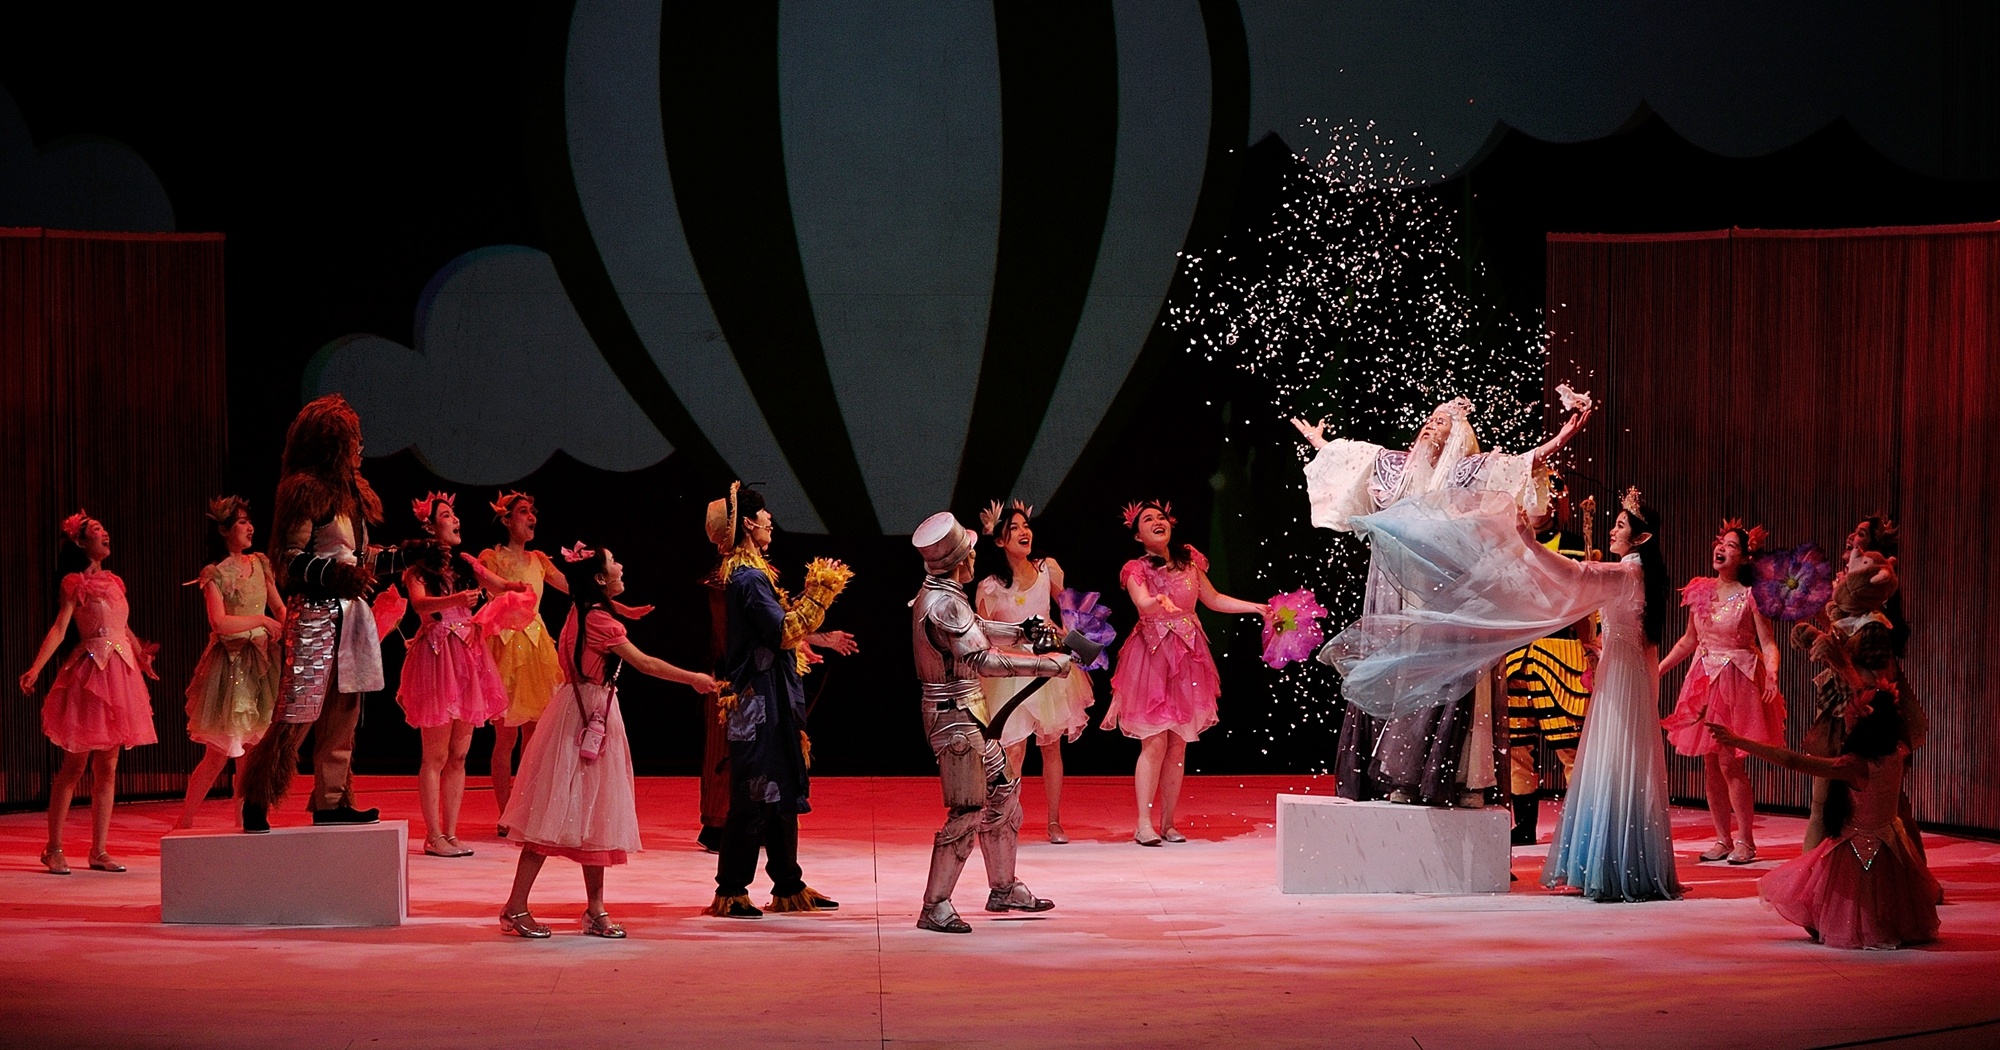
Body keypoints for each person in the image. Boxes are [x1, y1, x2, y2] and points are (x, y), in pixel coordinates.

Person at [1324, 486, 1682, 902]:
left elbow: (1574, 575)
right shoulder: (1642, 577)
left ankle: (1614, 867)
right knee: (1620, 758)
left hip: (1619, 673)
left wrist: (1529, 542)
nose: (1613, 530)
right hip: (1624, 671)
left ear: (1641, 537)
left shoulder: (1625, 574)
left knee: (1612, 756)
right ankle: (1624, 862)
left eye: (1621, 526)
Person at [1295, 395, 1591, 806]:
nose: (1431, 424)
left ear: (1459, 435)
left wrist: (1560, 438)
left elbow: (1520, 464)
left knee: (1445, 676)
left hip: (1445, 592)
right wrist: (1320, 443)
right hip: (1396, 591)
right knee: (1401, 673)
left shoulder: (1468, 472)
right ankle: (1398, 775)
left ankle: (1458, 778)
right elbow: (1353, 461)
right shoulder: (1397, 468)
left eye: (1442, 422)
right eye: (1430, 419)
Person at [497, 543, 717, 938]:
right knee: (556, 812)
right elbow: (644, 663)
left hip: (574, 711)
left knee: (589, 810)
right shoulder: (600, 622)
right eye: (614, 562)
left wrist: (621, 610)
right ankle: (516, 907)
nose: (621, 565)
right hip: (590, 714)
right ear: (600, 578)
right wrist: (694, 679)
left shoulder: (581, 610)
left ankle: (594, 909)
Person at [238, 394, 406, 833]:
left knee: (343, 713)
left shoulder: (354, 496)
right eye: (354, 441)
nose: (360, 448)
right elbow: (289, 557)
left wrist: (410, 556)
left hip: (351, 617)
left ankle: (332, 802)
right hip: (314, 614)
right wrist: (335, 574)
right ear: (334, 444)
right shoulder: (307, 491)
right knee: (298, 710)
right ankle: (257, 797)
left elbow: (362, 559)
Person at [910, 510, 1070, 933]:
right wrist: (1046, 665)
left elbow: (977, 627)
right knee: (967, 809)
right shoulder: (944, 603)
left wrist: (1021, 631)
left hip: (968, 712)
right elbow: (981, 658)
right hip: (954, 720)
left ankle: (1003, 887)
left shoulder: (945, 594)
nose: (974, 557)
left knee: (1004, 791)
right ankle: (935, 904)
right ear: (957, 559)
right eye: (969, 552)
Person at [704, 482, 852, 919]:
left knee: (781, 789)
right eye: (764, 513)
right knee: (754, 793)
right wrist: (821, 591)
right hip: (757, 702)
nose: (771, 519)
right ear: (749, 523)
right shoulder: (748, 578)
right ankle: (732, 889)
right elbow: (783, 631)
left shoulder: (756, 575)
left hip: (772, 696)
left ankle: (788, 884)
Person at [1710, 695, 1938, 949]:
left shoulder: (1855, 766)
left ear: (1862, 721)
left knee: (1842, 908)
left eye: (1850, 712)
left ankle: (1862, 928)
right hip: (1891, 844)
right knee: (1888, 903)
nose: (1845, 717)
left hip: (1857, 850)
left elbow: (1792, 761)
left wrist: (1739, 741)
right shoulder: (1898, 751)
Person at [1103, 501, 1269, 845]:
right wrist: (1157, 602)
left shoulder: (1189, 561)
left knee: (1178, 744)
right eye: (1148, 519)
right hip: (1151, 657)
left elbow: (1213, 598)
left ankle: (1168, 822)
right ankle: (1143, 823)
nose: (1157, 521)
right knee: (1155, 742)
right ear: (1138, 535)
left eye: (1161, 516)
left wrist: (1255, 607)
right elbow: (1142, 602)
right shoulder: (1136, 568)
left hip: (1188, 656)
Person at [18, 511, 158, 874]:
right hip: (90, 674)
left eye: (104, 528)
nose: (105, 533)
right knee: (75, 764)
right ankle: (53, 847)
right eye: (97, 530)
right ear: (81, 543)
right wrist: (36, 668)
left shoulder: (115, 582)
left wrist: (141, 656)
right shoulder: (74, 583)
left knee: (108, 765)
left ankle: (99, 850)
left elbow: (123, 628)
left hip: (121, 674)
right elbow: (60, 628)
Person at [397, 492, 530, 857]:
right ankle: (433, 835)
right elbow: (420, 604)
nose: (455, 520)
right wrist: (456, 601)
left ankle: (451, 833)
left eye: (454, 514)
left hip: (468, 658)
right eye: (446, 515)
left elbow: (498, 585)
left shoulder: (466, 563)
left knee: (459, 753)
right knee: (436, 755)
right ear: (430, 526)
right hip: (438, 657)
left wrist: (516, 587)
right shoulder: (418, 569)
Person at [1658, 519, 1785, 864]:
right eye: (1721, 542)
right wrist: (1659, 669)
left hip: (1737, 680)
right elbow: (1689, 640)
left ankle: (1746, 841)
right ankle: (1722, 839)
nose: (1722, 548)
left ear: (1744, 557)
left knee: (1729, 763)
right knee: (1710, 763)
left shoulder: (1752, 595)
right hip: (1704, 679)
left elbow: (1768, 643)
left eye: (1731, 545)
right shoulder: (1700, 589)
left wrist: (1772, 672)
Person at [973, 500, 1094, 843]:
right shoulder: (991, 586)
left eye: (1025, 525)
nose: (1023, 532)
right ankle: (1005, 818)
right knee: (1014, 749)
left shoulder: (1047, 570)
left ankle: (1054, 821)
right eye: (1014, 528)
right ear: (1000, 540)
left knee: (1051, 745)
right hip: (1011, 672)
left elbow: (1070, 610)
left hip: (1047, 669)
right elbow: (982, 635)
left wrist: (1067, 632)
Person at [177, 497, 285, 829]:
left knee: (252, 753)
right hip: (231, 665)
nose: (250, 527)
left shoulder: (261, 563)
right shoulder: (215, 574)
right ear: (224, 530)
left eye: (249, 521)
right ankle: (185, 820)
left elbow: (279, 608)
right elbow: (220, 622)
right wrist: (261, 621)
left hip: (261, 664)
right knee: (218, 754)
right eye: (241, 522)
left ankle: (245, 822)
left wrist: (288, 628)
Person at [1501, 476, 1597, 844]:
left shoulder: (1573, 546)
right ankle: (1524, 826)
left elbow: (1585, 602)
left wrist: (1591, 647)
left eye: (1540, 497)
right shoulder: (1510, 547)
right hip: (1517, 655)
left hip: (1559, 654)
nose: (1533, 505)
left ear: (1554, 504)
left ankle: (1579, 828)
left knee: (1568, 744)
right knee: (1517, 745)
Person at [478, 491, 565, 836]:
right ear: (506, 519)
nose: (531, 518)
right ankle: (505, 813)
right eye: (523, 512)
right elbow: (484, 585)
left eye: (532, 512)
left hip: (535, 649)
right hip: (504, 647)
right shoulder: (491, 557)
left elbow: (574, 587)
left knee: (534, 734)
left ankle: (524, 808)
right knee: (506, 736)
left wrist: (611, 598)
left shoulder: (539, 560)